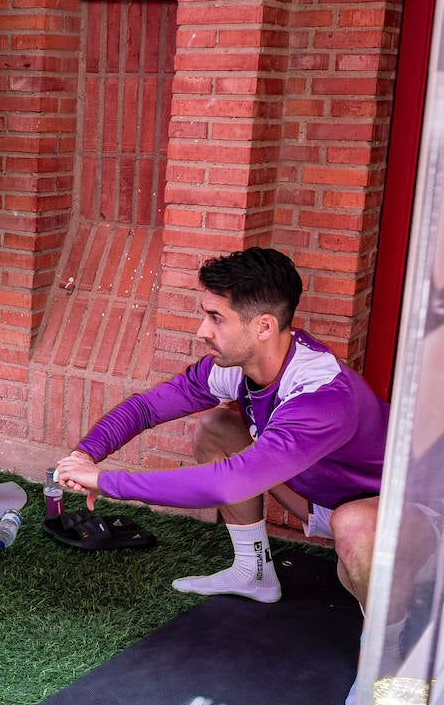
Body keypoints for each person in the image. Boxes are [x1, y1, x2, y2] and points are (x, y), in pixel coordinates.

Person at [54, 246, 386, 615]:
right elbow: (147, 408)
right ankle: (253, 573)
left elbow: (227, 483)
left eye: (216, 318)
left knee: (353, 529)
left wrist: (107, 482)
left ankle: (395, 659)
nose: (202, 331)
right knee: (218, 427)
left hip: (389, 507)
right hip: (316, 496)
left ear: (263, 326)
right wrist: (85, 454)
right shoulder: (236, 364)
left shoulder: (321, 394)